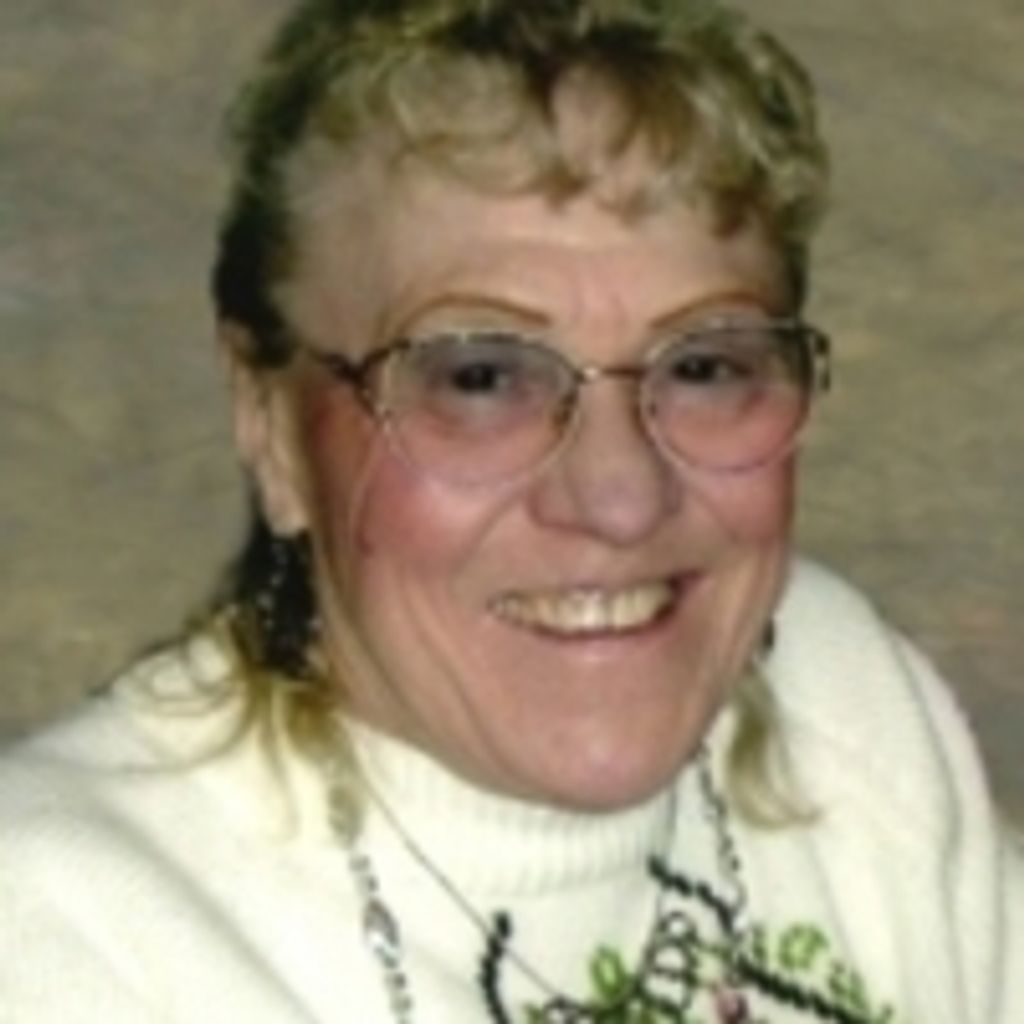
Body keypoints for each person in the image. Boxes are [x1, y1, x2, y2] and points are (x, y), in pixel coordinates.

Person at [1, 0, 1021, 1020]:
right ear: (270, 425)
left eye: (704, 365)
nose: (621, 499)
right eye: (481, 378)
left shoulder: (836, 696)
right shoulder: (65, 935)